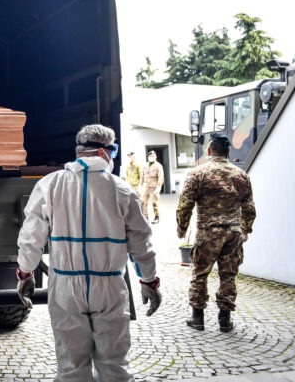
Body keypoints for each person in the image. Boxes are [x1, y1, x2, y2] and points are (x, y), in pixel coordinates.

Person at [16, 124, 160, 382]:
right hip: (110, 287)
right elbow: (142, 242)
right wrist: (149, 281)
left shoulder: (50, 185)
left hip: (65, 288)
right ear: (105, 153)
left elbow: (30, 237)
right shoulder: (122, 190)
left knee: (71, 367)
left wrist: (25, 273)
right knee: (114, 367)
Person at [175, 132, 256, 333]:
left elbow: (185, 204)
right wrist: (244, 229)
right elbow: (249, 208)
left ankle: (198, 318)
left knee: (200, 274)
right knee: (228, 276)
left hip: (208, 233)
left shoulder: (198, 173)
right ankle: (225, 320)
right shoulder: (240, 175)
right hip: (233, 233)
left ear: (209, 150)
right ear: (228, 151)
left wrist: (182, 228)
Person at [140, 150, 164, 223]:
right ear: (148, 157)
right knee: (143, 202)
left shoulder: (158, 166)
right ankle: (145, 217)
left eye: (153, 156)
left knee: (155, 202)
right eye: (150, 156)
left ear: (156, 156)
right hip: (145, 187)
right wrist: (140, 185)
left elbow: (161, 177)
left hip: (154, 186)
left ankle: (157, 217)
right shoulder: (145, 165)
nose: (151, 157)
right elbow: (142, 176)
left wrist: (159, 187)